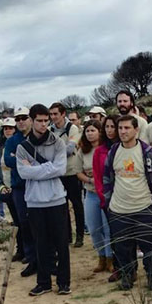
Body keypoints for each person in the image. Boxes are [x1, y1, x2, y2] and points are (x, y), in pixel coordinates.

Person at [102, 116, 152, 290]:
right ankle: (128, 275)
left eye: (127, 128)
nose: (123, 131)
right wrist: (108, 202)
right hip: (119, 209)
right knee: (122, 247)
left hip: (145, 207)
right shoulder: (114, 151)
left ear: (136, 130)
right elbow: (107, 177)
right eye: (120, 128)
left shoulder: (147, 152)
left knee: (151, 245)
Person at [16, 104, 71, 296]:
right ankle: (44, 282)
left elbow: (61, 169)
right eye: (39, 120)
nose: (43, 124)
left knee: (61, 243)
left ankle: (64, 282)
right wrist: (47, 169)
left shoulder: (58, 143)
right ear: (31, 120)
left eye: (46, 120)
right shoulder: (22, 147)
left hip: (56, 199)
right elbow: (23, 173)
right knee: (41, 243)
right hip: (34, 201)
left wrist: (35, 169)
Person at [2, 108, 38, 275]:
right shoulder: (12, 140)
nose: (21, 121)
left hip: (38, 184)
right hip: (19, 186)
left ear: (30, 119)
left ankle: (47, 258)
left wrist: (20, 157)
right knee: (24, 222)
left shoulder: (38, 136)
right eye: (18, 119)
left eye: (24, 118)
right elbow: (8, 160)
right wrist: (25, 160)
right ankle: (31, 259)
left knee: (41, 222)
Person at [75, 120, 112, 273]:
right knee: (94, 227)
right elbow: (78, 172)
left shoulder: (107, 149)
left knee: (108, 228)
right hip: (90, 193)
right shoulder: (82, 151)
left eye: (93, 130)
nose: (90, 134)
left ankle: (111, 258)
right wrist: (91, 180)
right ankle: (101, 256)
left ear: (100, 132)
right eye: (87, 131)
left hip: (106, 194)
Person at [50, 102, 85, 247]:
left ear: (63, 114)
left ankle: (80, 236)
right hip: (59, 173)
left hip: (71, 171)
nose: (53, 117)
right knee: (62, 206)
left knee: (77, 204)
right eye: (51, 114)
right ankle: (67, 236)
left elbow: (70, 149)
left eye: (55, 114)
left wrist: (54, 154)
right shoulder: (50, 130)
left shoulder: (73, 128)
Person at [94, 115, 121, 282]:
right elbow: (98, 176)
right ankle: (115, 265)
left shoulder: (125, 147)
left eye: (113, 126)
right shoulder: (99, 150)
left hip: (126, 197)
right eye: (107, 127)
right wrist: (104, 196)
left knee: (124, 234)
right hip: (107, 199)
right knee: (112, 233)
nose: (110, 130)